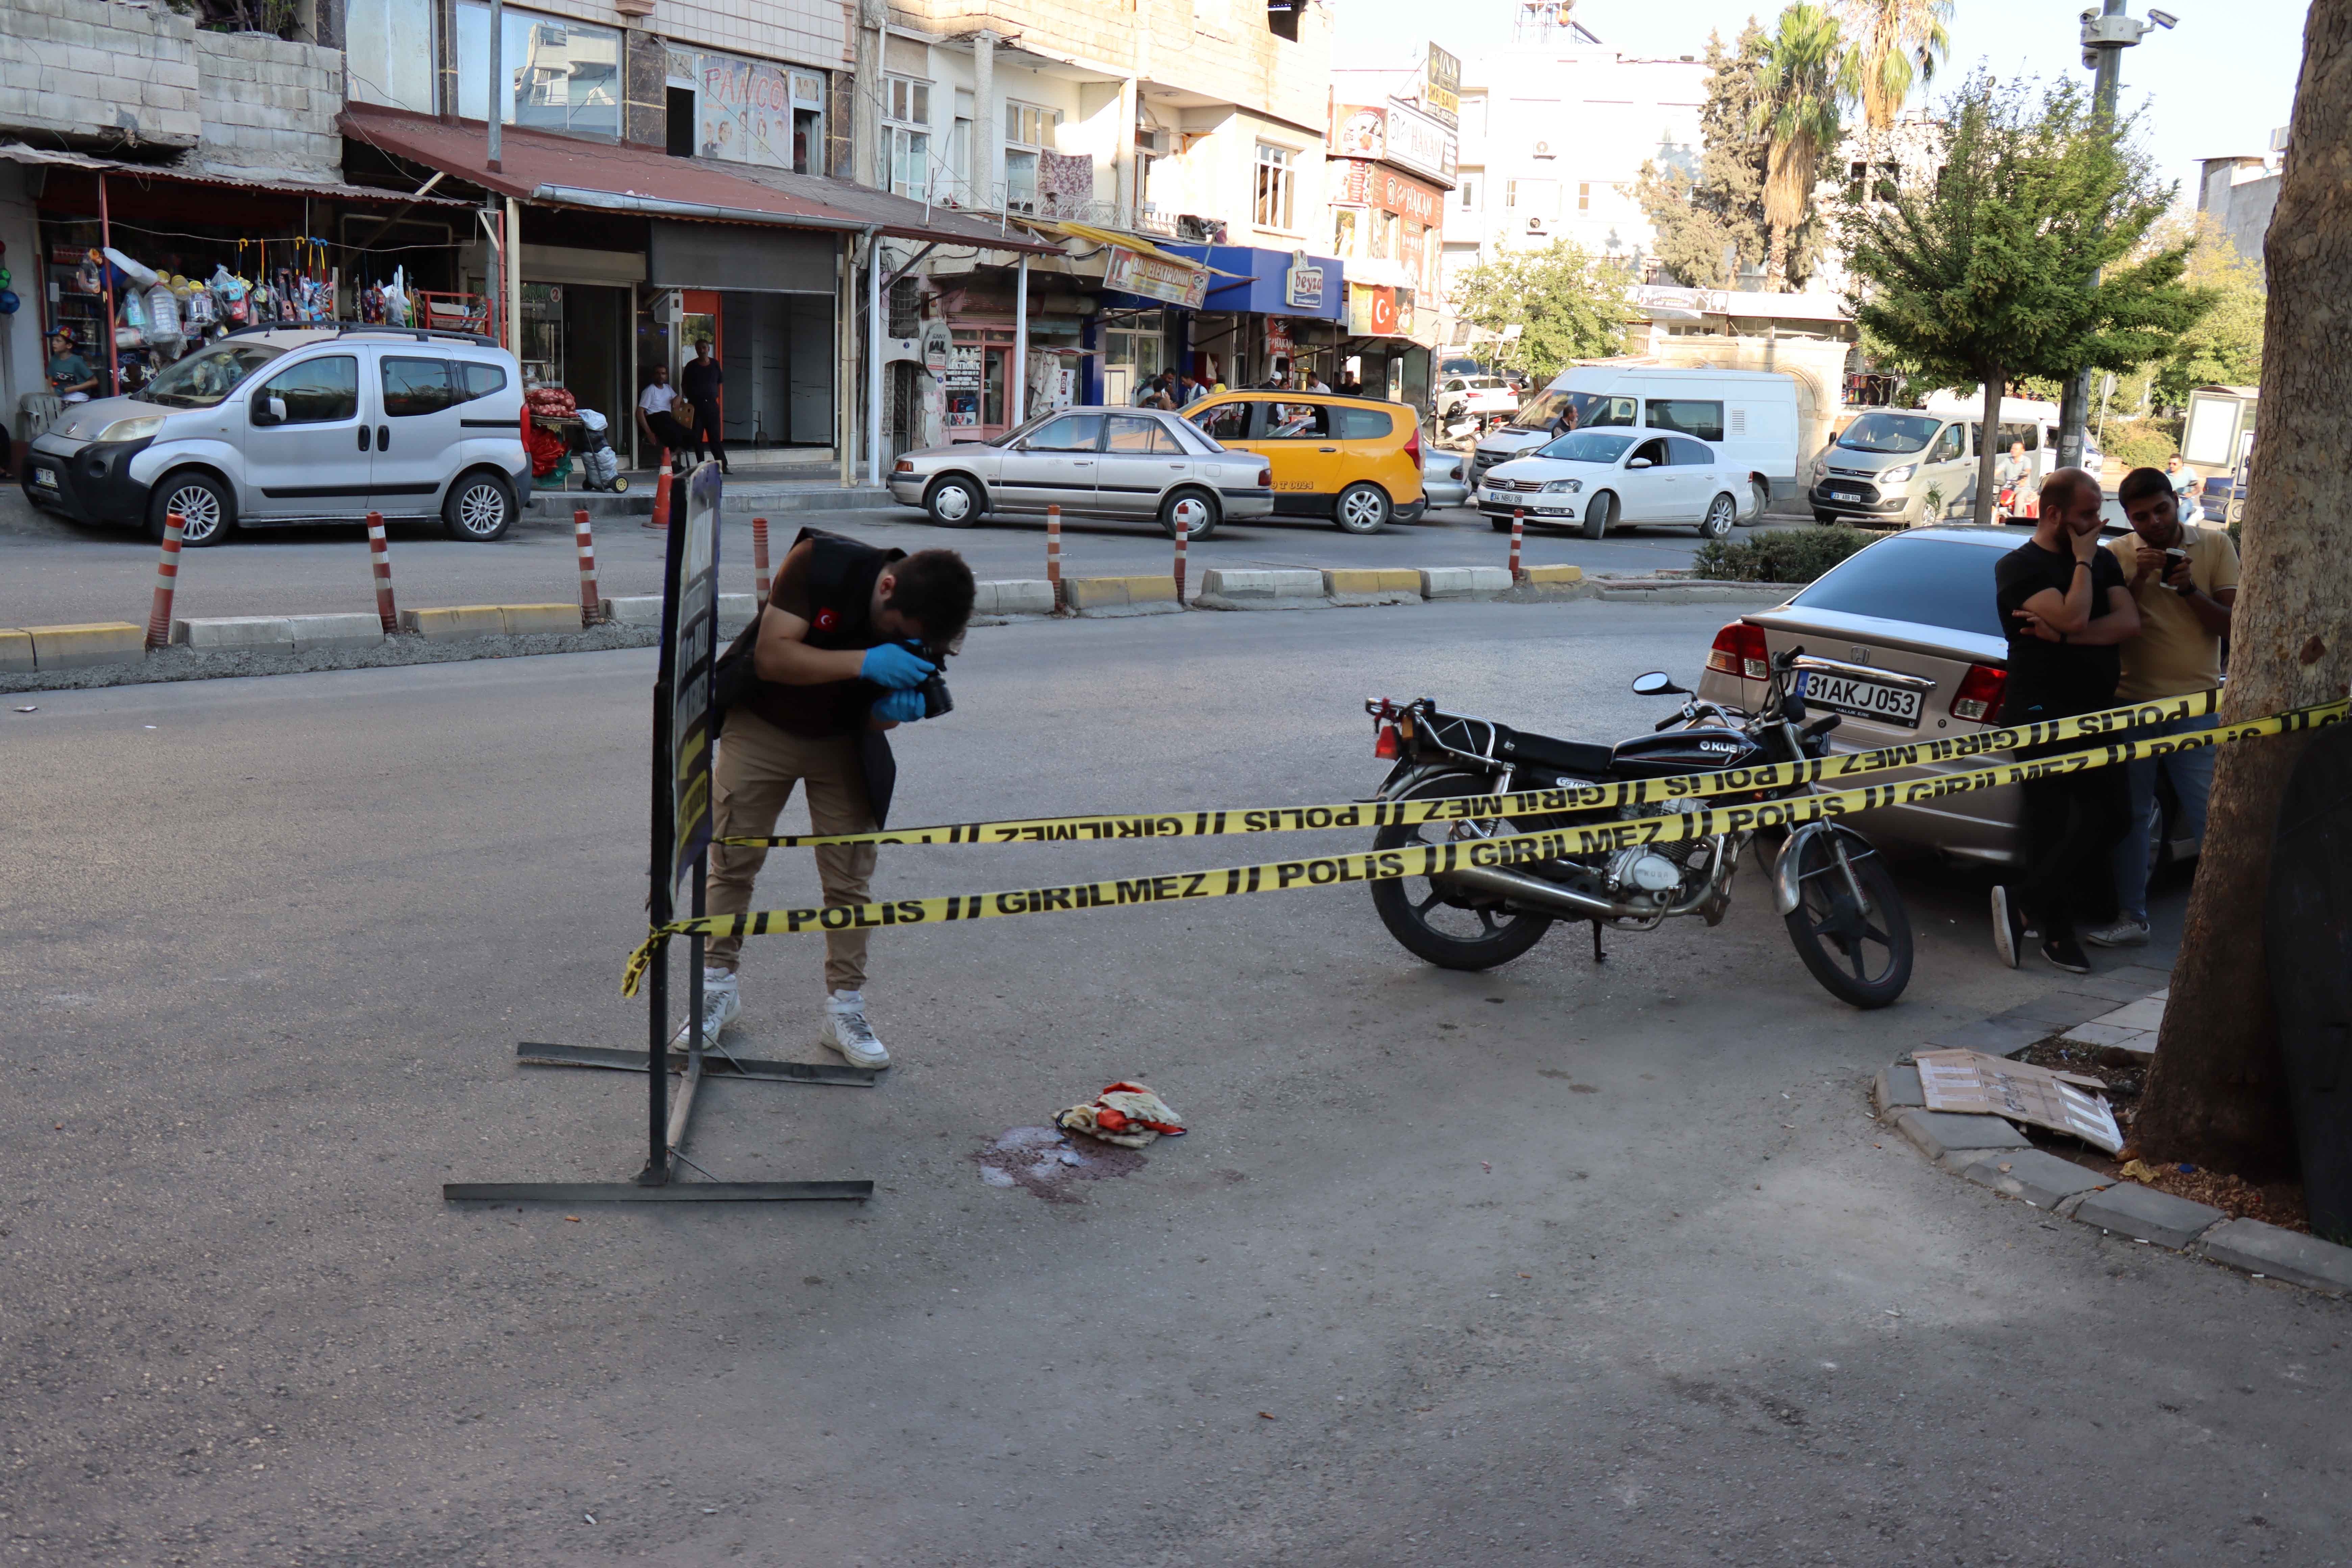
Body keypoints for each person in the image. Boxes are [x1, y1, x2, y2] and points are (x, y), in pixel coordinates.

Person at [686, 529, 977, 1068]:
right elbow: (774, 656)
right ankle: (716, 990)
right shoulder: (818, 563)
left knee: (849, 880)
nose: (899, 639)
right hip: (766, 722)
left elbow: (874, 717)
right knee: (732, 860)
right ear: (887, 586)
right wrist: (867, 661)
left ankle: (845, 1007)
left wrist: (895, 709)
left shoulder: (925, 617)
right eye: (897, 630)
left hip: (846, 740)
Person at [1990, 467, 2140, 974]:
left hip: (2097, 708)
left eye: (2098, 513)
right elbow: (2075, 614)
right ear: (2054, 514)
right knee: (2049, 824)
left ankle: (2023, 902)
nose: (2097, 524)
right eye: (2087, 514)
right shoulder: (2019, 567)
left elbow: (2127, 623)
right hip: (2040, 711)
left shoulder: (2101, 562)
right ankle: (2056, 936)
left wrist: (2066, 638)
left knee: (2114, 816)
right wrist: (2079, 563)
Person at [2081, 466, 2239, 948]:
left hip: (2195, 705)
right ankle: (2133, 916)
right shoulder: (2118, 556)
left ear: (2176, 502)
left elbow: (2232, 627)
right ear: (2128, 518)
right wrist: (2141, 580)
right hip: (2131, 704)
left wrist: (2189, 589)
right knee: (2132, 815)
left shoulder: (2213, 547)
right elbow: (2107, 625)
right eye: (2140, 517)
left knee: (2210, 814)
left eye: (2161, 511)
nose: (2152, 524)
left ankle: (2229, 923)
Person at [679, 338, 730, 474]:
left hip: (712, 406)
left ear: (708, 349)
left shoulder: (715, 364)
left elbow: (719, 382)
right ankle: (701, 466)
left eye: (704, 348)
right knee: (697, 438)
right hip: (696, 407)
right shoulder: (691, 366)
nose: (702, 351)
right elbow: (684, 385)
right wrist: (692, 397)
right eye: (699, 348)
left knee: (715, 438)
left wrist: (713, 395)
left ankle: (723, 466)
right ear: (696, 350)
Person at [634, 365, 693, 472]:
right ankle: (668, 461)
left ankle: (668, 458)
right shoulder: (650, 390)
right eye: (658, 373)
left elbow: (679, 401)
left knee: (691, 435)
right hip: (655, 418)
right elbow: (640, 412)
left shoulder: (668, 388)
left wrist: (679, 397)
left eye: (663, 373)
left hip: (667, 418)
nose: (661, 376)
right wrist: (649, 433)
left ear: (666, 376)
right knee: (674, 434)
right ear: (654, 376)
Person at [1994, 440, 2039, 521]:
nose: (2013, 450)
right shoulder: (2007, 460)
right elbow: (1997, 471)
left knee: (2019, 499)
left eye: (2016, 449)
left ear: (2022, 451)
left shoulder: (2026, 460)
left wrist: (2023, 480)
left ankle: (2017, 521)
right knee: (1996, 498)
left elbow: (2027, 471)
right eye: (2012, 448)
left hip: (2023, 489)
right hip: (2009, 488)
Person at [47, 330, 97, 401]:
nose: (54, 343)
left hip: (78, 395)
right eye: (53, 340)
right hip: (60, 395)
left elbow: (94, 381)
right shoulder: (54, 360)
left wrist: (73, 389)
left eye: (58, 341)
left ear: (69, 346)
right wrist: (52, 391)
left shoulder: (77, 361)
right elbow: (50, 378)